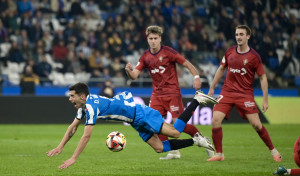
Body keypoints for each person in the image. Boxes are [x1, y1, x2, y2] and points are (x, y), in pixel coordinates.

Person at [46, 82, 218, 169]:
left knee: (175, 133)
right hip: (134, 121)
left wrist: (74, 158)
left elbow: (86, 136)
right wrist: (60, 147)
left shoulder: (90, 107)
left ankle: (197, 100)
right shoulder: (84, 106)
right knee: (159, 147)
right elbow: (72, 128)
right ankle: (197, 142)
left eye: (72, 96)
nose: (70, 99)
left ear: (82, 96)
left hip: (141, 114)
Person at [125, 25, 209, 160]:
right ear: (147, 39)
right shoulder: (145, 56)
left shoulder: (169, 52)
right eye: (150, 38)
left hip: (172, 94)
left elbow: (187, 64)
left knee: (177, 126)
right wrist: (128, 71)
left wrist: (196, 77)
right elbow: (134, 75)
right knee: (153, 123)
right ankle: (174, 152)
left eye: (155, 38)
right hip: (157, 96)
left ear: (160, 39)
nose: (153, 41)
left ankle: (201, 139)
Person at [207, 25, 282, 162]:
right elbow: (221, 69)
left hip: (245, 94)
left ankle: (273, 150)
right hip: (227, 92)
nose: (238, 37)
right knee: (215, 119)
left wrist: (265, 100)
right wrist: (212, 87)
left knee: (256, 125)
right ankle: (219, 154)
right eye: (236, 34)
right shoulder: (229, 52)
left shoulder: (254, 57)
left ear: (248, 36)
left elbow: (263, 77)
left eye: (241, 34)